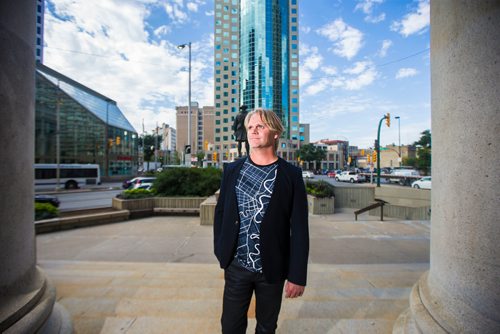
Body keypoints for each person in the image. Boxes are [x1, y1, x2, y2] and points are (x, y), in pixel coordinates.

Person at [214, 108, 309, 333]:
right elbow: (221, 214)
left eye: (260, 126)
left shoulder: (291, 175)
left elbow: (299, 230)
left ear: (275, 133)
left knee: (266, 327)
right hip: (237, 265)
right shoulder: (232, 170)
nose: (253, 132)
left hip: (272, 267)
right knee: (230, 326)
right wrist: (221, 251)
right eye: (250, 127)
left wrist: (297, 275)